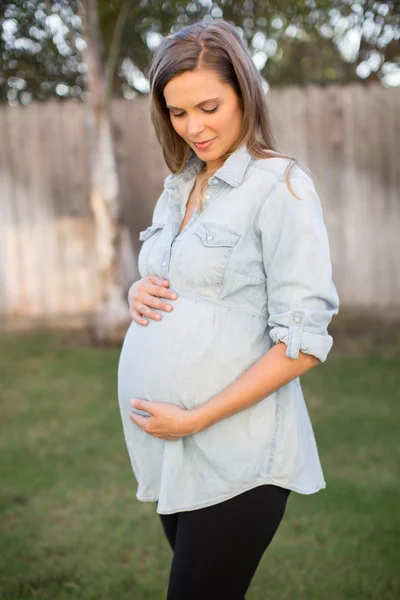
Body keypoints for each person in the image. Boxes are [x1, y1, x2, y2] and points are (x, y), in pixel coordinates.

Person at [117, 18, 339, 600]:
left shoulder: (281, 187)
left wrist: (195, 417)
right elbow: (177, 282)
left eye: (209, 107)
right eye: (178, 112)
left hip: (236, 457)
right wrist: (137, 291)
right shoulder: (180, 184)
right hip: (173, 449)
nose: (194, 127)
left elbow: (303, 342)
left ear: (244, 90)